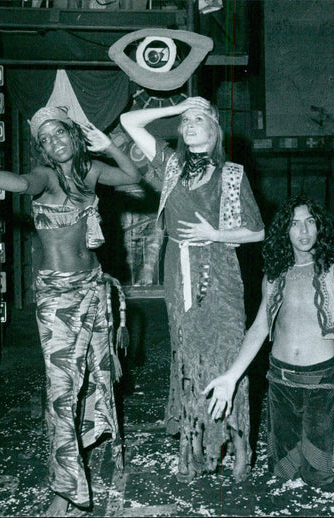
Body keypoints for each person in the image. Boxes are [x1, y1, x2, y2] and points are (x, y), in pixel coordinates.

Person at [0, 106, 141, 516]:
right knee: (62, 391)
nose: (53, 143)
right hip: (58, 298)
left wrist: (108, 147)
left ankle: (99, 447)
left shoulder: (91, 172)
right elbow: (17, 182)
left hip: (93, 286)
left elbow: (134, 176)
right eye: (45, 139)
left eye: (58, 134)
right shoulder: (45, 177)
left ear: (72, 134)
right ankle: (64, 491)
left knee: (100, 375)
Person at [203, 195, 334, 487]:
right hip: (281, 381)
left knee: (319, 475)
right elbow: (259, 327)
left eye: (310, 222)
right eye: (294, 224)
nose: (304, 231)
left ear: (320, 227)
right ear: (284, 231)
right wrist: (230, 376)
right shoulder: (274, 273)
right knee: (284, 472)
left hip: (321, 383)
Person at [119, 96, 264, 482]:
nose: (191, 124)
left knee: (228, 352)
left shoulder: (231, 173)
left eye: (200, 118)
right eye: (186, 122)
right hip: (179, 269)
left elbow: (258, 231)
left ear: (215, 129)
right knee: (188, 354)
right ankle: (194, 443)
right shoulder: (171, 165)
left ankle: (239, 443)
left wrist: (214, 233)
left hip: (220, 269)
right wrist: (175, 109)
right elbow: (130, 121)